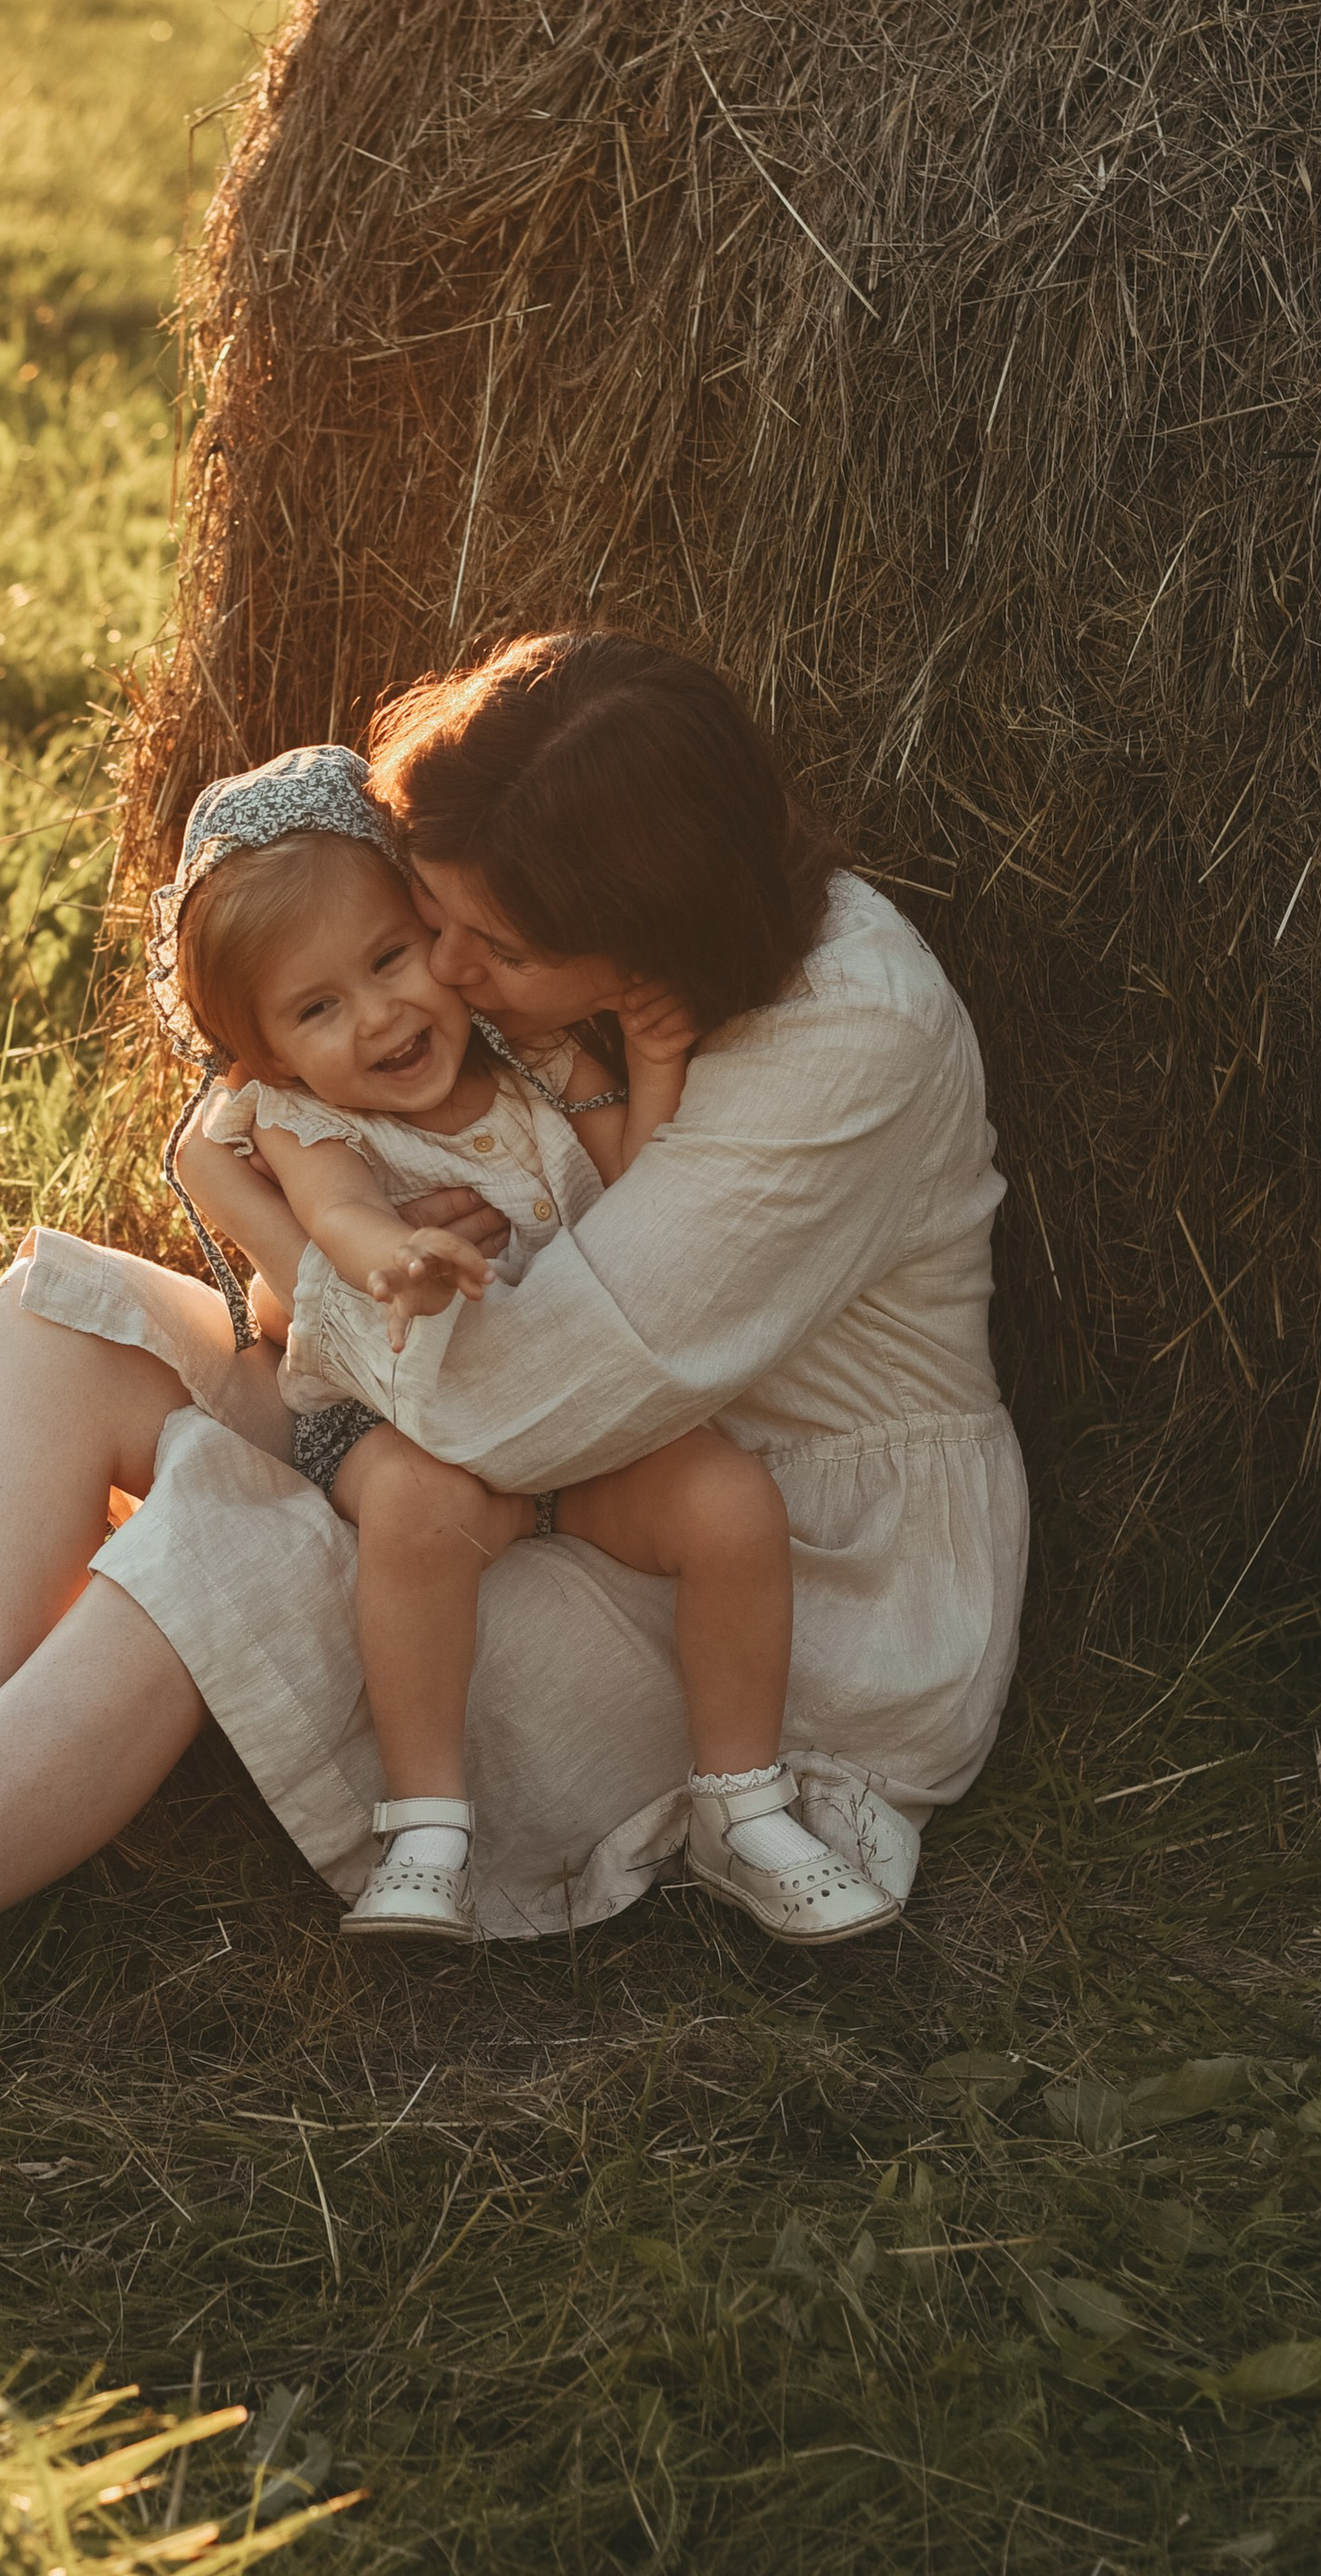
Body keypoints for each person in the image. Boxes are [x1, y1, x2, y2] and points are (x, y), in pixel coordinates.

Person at [0, 633, 1027, 2159]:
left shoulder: (843, 1041)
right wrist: (291, 1203)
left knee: (222, 1530)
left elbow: (515, 1413)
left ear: (627, 947)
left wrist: (277, 1233)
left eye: (478, 940)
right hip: (540, 1445)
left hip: (767, 1580)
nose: (448, 972)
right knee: (57, 1316)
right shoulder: (625, 964)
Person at [149, 740, 847, 1945]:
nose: (379, 1015)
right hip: (407, 1421)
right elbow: (338, 1216)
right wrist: (394, 1263)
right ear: (264, 1057)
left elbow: (639, 1181)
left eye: (389, 957)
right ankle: (426, 1826)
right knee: (415, 1506)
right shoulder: (304, 1119)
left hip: (578, 1422)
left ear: (439, 928)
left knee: (729, 1504)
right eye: (319, 1007)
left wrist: (659, 1062)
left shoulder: (535, 1061)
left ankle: (743, 1799)